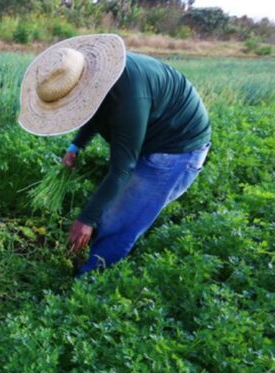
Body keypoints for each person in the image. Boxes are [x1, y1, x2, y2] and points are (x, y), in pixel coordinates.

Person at [18, 34, 211, 275]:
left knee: (120, 219)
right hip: (153, 130)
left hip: (176, 149)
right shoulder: (95, 79)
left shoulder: (127, 101)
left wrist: (86, 220)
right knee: (109, 210)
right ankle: (93, 258)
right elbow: (88, 110)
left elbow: (122, 169)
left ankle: (88, 281)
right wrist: (75, 147)